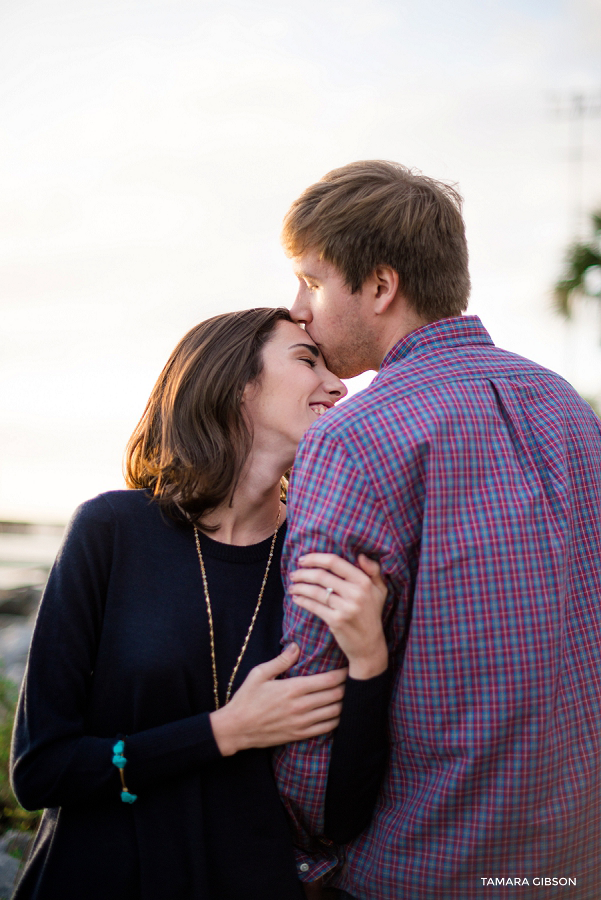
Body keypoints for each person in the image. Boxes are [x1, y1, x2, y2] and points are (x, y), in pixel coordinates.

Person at [274, 160, 601, 900]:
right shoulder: (567, 408)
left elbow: (314, 687)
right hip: (576, 856)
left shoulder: (355, 438)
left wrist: (304, 848)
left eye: (312, 281)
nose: (297, 307)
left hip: (427, 867)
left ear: (381, 286)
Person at [10, 307, 391, 900]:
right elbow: (41, 770)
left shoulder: (320, 559)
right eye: (306, 360)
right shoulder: (111, 530)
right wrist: (225, 731)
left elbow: (341, 817)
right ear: (235, 381)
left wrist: (369, 661)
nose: (340, 385)